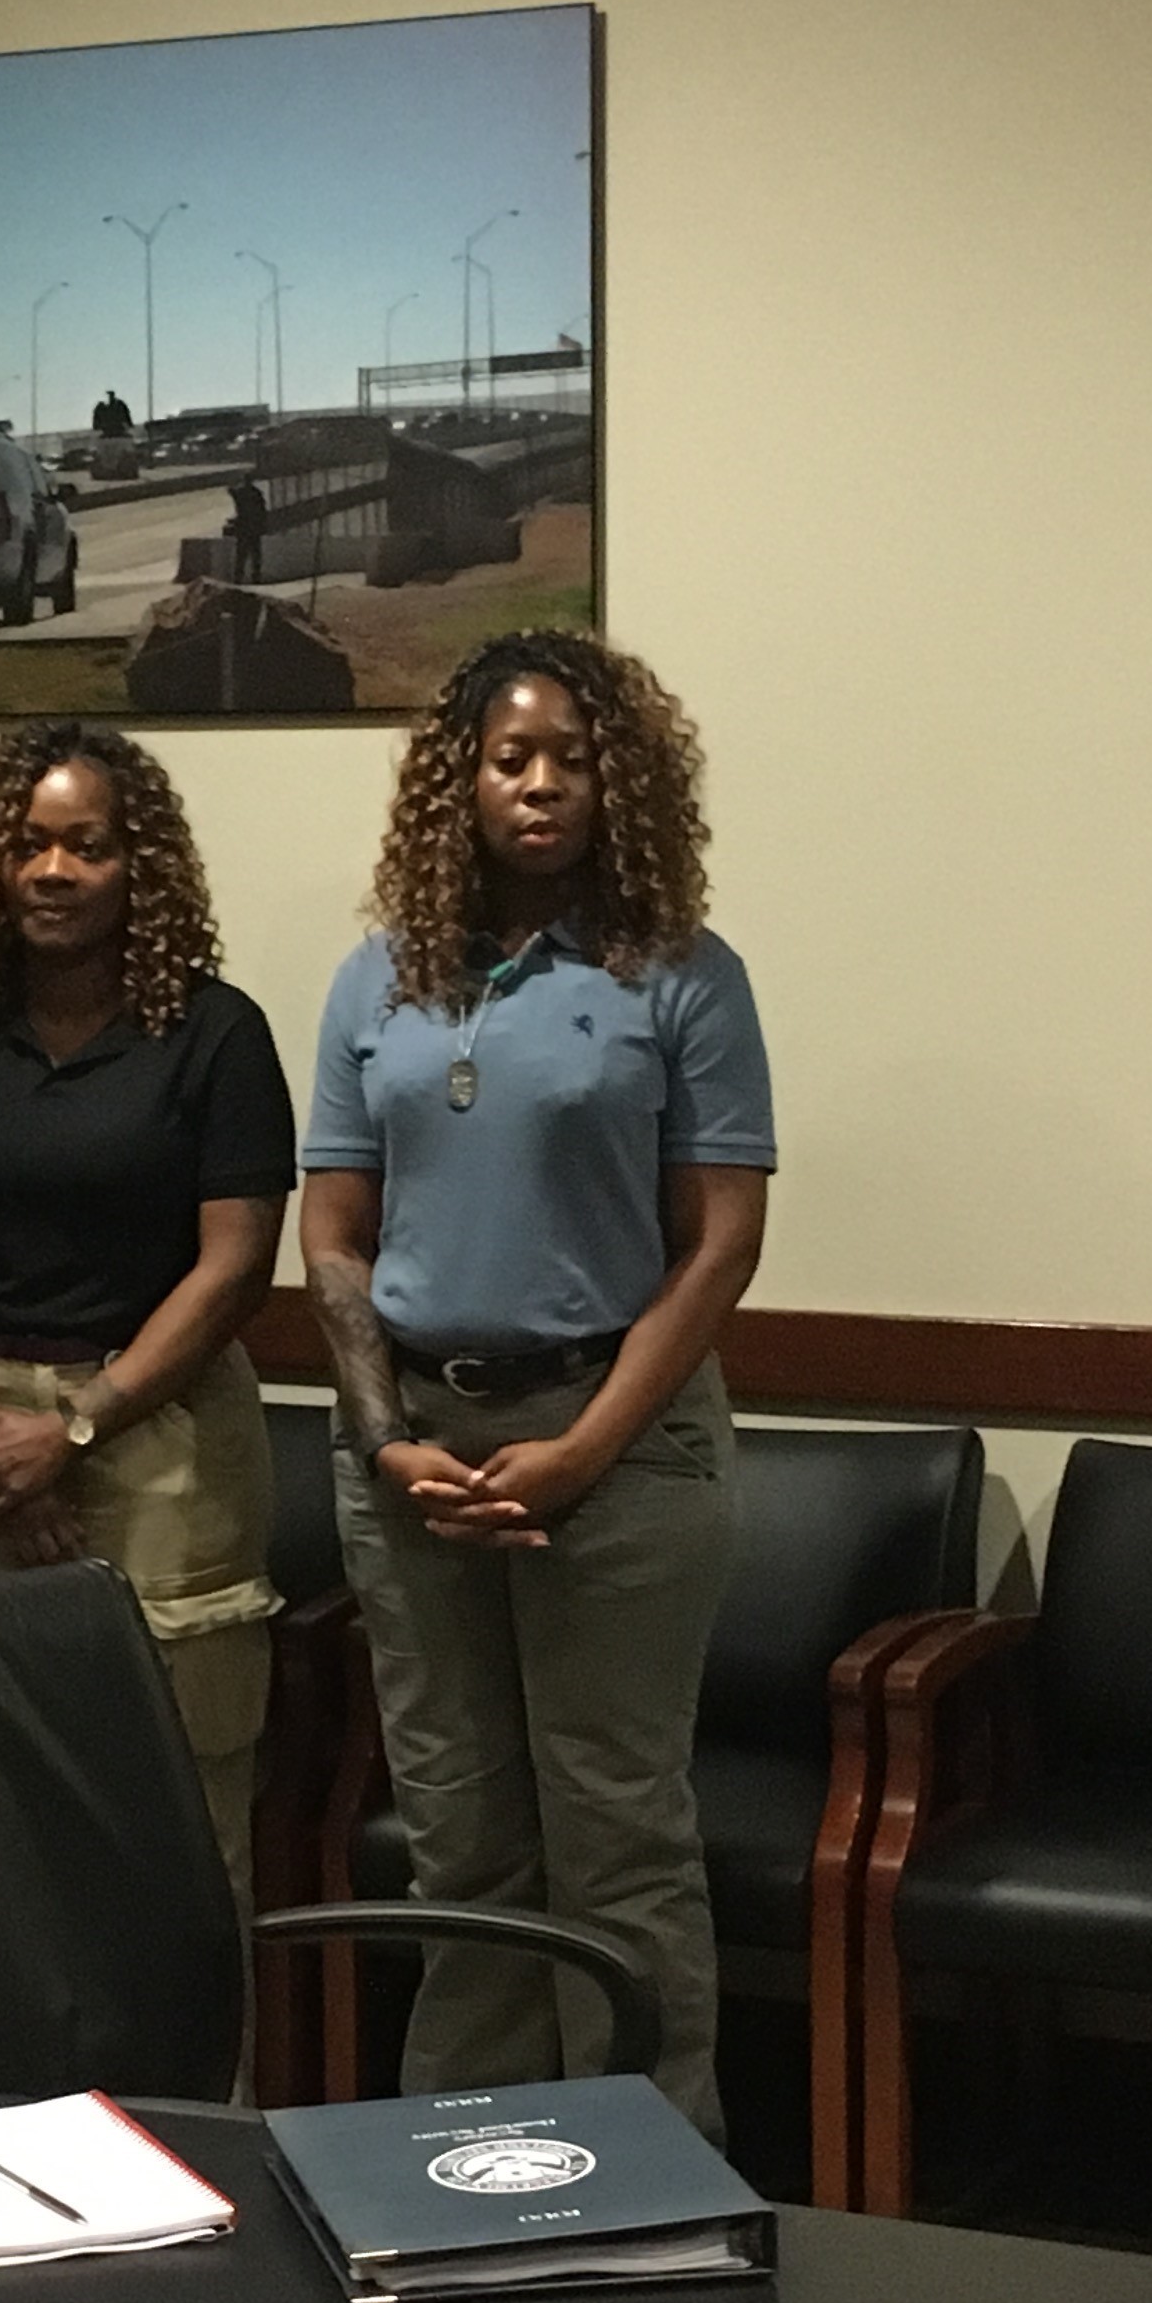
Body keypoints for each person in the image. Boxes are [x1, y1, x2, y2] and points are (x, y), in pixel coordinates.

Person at [299, 630, 774, 2141]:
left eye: (573, 756)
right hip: (414, 1457)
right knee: (464, 1844)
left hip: (618, 1452)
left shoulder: (683, 977)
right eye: (511, 757)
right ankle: (468, 2177)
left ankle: (640, 2182)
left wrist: (582, 1447)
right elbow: (331, 1236)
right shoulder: (375, 979)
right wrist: (384, 1444)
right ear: (459, 780)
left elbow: (719, 1245)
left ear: (619, 781)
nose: (542, 783)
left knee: (616, 1837)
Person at [0, 721, 292, 1927]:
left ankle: (189, 2114)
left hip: (163, 1438)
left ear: (137, 866)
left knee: (175, 1802)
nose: (53, 871)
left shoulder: (216, 1033)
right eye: (29, 845)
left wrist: (81, 1429)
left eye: (87, 847)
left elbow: (234, 1266)